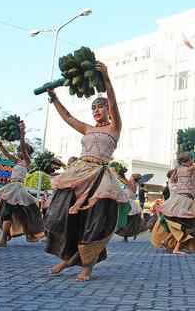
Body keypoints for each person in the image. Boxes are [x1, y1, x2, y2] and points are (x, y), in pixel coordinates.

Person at [44, 61, 127, 282]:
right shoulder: (88, 129)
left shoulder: (114, 127)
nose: (96, 110)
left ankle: (87, 268)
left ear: (107, 110)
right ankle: (67, 257)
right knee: (57, 216)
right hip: (79, 173)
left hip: (100, 178)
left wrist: (106, 77)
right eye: (93, 107)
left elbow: (114, 100)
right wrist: (54, 98)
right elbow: (68, 117)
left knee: (94, 221)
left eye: (100, 106)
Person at [150, 141, 195, 255]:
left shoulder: (179, 169)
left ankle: (166, 241)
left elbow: (192, 164)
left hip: (180, 199)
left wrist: (181, 145)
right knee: (186, 225)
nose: (192, 161)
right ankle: (176, 249)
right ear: (187, 160)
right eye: (191, 159)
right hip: (184, 200)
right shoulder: (188, 169)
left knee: (183, 224)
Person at [0, 122, 44, 246]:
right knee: (4, 212)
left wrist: (22, 134)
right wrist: (0, 144)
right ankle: (5, 236)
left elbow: (23, 148)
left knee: (8, 212)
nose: (19, 152)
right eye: (19, 151)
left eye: (21, 150)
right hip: (11, 187)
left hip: (18, 189)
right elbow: (7, 154)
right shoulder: (18, 161)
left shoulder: (27, 161)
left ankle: (3, 239)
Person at [116, 174, 148, 241]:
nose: (129, 178)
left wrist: (120, 175)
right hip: (129, 203)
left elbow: (124, 180)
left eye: (131, 177)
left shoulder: (132, 185)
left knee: (127, 221)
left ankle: (126, 237)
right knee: (129, 222)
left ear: (133, 178)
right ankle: (127, 236)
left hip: (129, 203)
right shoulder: (134, 185)